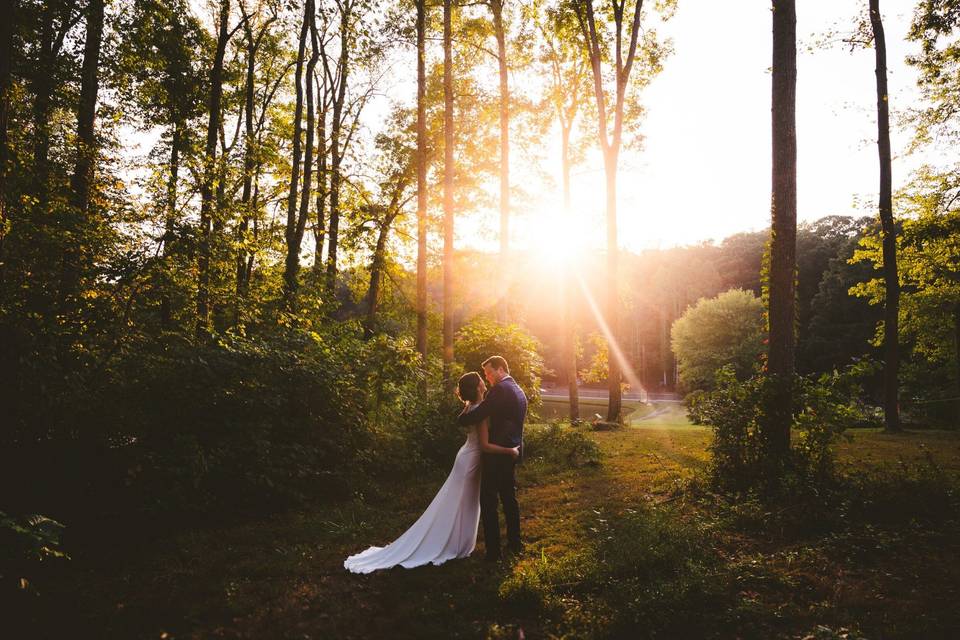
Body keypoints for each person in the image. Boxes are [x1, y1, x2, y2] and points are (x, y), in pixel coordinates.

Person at [343, 371, 519, 574]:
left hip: (465, 456)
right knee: (461, 503)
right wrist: (510, 450)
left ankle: (455, 540)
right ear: (478, 387)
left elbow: (465, 424)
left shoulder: (470, 408)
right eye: (481, 379)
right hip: (471, 460)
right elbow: (486, 446)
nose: (484, 380)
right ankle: (451, 543)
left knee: (458, 502)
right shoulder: (480, 411)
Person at [456, 355, 527, 562]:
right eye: (485, 374)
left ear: (500, 369)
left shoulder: (501, 390)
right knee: (509, 499)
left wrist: (461, 417)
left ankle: (494, 552)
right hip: (511, 450)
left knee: (489, 502)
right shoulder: (517, 389)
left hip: (497, 455)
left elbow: (478, 415)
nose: (486, 377)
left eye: (488, 372)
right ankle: (515, 544)